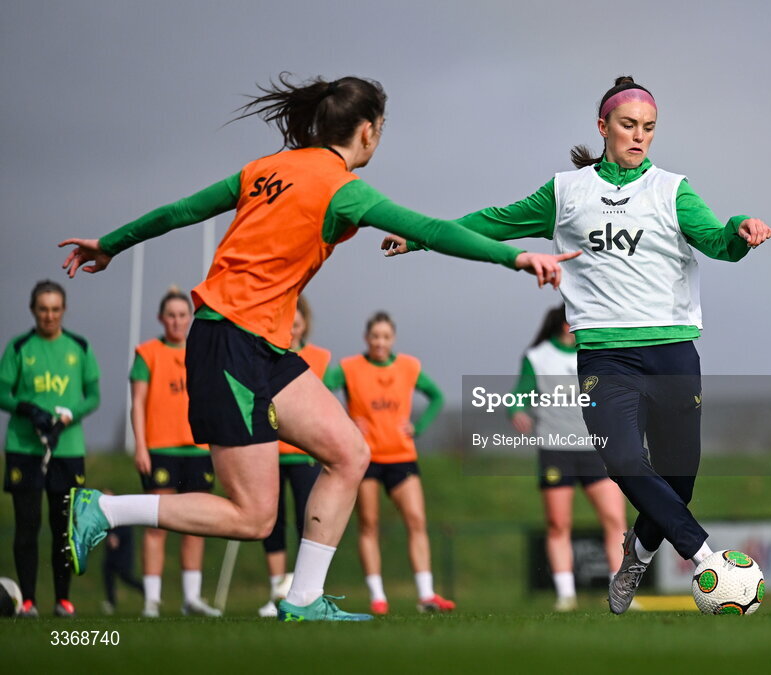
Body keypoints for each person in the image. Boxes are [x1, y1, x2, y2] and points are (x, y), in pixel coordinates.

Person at [59, 74, 576, 623]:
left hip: (262, 346)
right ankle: (105, 509)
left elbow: (182, 211)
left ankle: (304, 599)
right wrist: (517, 258)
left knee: (350, 453)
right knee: (255, 517)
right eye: (381, 129)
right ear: (368, 131)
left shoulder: (266, 169)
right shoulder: (341, 187)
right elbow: (431, 227)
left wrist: (110, 244)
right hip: (229, 344)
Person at [383, 76, 771, 614]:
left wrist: (741, 229)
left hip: (672, 353)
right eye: (628, 125)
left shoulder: (672, 190)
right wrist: (423, 233)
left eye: (649, 128)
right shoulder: (567, 193)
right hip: (604, 355)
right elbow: (495, 221)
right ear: (603, 127)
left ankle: (636, 554)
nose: (639, 137)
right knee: (623, 460)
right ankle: (707, 559)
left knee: (677, 482)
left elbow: (717, 242)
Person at [509, 305, 626, 611]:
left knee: (616, 520)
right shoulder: (537, 356)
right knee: (558, 524)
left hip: (597, 449)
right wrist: (516, 410)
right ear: (567, 323)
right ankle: (566, 595)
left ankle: (621, 592)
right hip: (556, 450)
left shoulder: (596, 354)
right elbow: (519, 394)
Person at [1, 280, 101, 618]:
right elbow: (3, 394)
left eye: (55, 309)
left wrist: (68, 416)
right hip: (24, 448)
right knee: (28, 524)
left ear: (64, 310)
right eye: (43, 309)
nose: (49, 315)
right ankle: (28, 601)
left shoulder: (79, 347)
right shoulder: (19, 348)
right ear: (33, 310)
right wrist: (28, 409)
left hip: (67, 449)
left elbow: (93, 396)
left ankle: (63, 600)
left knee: (64, 527)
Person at [342, 312, 452, 614]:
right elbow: (320, 389)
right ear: (367, 338)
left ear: (393, 339)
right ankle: (377, 596)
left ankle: (426, 594)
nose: (380, 342)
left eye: (385, 337)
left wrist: (419, 426)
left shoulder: (408, 366)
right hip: (366, 458)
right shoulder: (349, 368)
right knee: (369, 524)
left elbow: (437, 396)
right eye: (375, 336)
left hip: (401, 455)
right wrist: (346, 419)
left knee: (416, 520)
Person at [130, 287, 221, 618]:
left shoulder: (204, 351)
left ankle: (191, 598)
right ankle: (152, 600)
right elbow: (137, 403)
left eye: (183, 314)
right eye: (171, 315)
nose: (177, 321)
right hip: (160, 448)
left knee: (196, 525)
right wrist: (140, 445)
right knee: (157, 525)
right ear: (160, 318)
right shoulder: (148, 352)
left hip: (198, 448)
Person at [258, 296, 332, 618]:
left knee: (308, 520)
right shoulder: (266, 355)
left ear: (305, 320)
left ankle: (302, 590)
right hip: (271, 453)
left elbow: (325, 405)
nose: (294, 322)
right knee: (271, 522)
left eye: (297, 316)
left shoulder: (322, 358)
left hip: (306, 455)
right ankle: (276, 590)